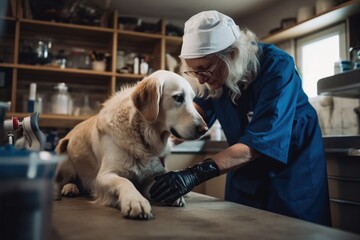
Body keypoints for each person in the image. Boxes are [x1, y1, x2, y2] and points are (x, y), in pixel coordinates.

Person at [149, 10, 331, 226]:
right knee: (239, 229)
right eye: (193, 70)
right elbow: (192, 118)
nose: (200, 78)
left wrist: (194, 174)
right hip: (243, 170)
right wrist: (156, 140)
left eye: (204, 69)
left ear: (232, 55)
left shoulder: (278, 67)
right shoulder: (214, 76)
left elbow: (260, 142)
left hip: (291, 174)